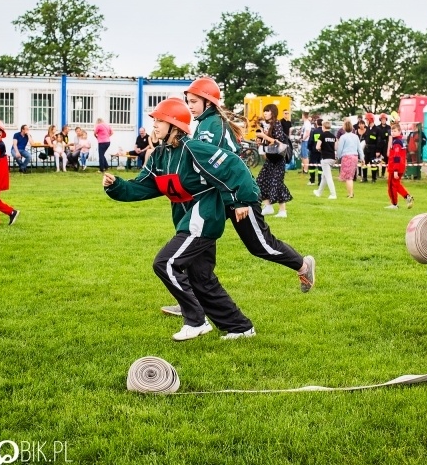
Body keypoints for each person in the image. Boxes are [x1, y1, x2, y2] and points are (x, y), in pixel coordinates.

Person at [103, 98, 259, 342]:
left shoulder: (194, 149)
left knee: (165, 263)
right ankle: (240, 327)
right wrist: (117, 186)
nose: (154, 126)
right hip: (186, 222)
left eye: (159, 121)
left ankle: (196, 321)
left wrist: (241, 200)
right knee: (201, 279)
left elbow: (234, 165)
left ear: (175, 126)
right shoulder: (159, 156)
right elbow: (143, 187)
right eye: (154, 120)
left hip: (203, 219)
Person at [158, 82, 315, 318]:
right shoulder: (202, 125)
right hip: (218, 197)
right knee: (198, 251)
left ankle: (303, 265)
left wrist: (238, 200)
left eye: (193, 101)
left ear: (208, 102)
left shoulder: (213, 126)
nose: (189, 107)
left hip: (238, 194)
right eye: (188, 101)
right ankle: (191, 303)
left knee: (260, 245)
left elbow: (229, 164)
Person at [255, 104, 295, 215]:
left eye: (267, 111)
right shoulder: (266, 125)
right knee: (262, 181)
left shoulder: (277, 124)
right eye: (264, 111)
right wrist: (259, 140)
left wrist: (264, 136)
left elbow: (278, 141)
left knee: (276, 183)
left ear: (273, 112)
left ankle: (283, 211)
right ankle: (268, 206)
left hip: (278, 159)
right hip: (270, 158)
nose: (265, 113)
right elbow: (266, 140)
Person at [385, 123, 414, 210]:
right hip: (398, 167)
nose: (393, 133)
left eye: (395, 131)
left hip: (395, 168)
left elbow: (397, 157)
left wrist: (395, 170)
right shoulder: (398, 141)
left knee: (392, 185)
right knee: (396, 185)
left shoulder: (397, 142)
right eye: (392, 131)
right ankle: (407, 197)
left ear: (399, 131)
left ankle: (394, 204)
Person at [336, 120, 363, 198]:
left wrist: (338, 157)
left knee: (348, 178)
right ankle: (349, 193)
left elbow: (340, 149)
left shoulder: (343, 137)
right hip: (354, 157)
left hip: (347, 157)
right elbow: (359, 148)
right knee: (350, 176)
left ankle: (351, 194)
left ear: (344, 127)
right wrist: (362, 157)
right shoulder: (356, 136)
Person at [313, 120, 338, 199]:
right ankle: (319, 192)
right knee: (324, 176)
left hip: (325, 158)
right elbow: (336, 147)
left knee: (328, 177)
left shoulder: (322, 136)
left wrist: (321, 149)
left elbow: (317, 146)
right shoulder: (333, 136)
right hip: (332, 158)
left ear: (323, 127)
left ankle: (333, 194)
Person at [373, 114, 391, 178]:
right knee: (377, 158)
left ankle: (383, 173)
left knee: (385, 159)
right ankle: (377, 172)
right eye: (382, 119)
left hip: (386, 145)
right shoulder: (378, 127)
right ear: (380, 120)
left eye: (384, 119)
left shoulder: (389, 127)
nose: (383, 120)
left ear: (386, 120)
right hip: (379, 144)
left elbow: (389, 137)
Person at [307, 118, 323, 186]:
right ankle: (320, 182)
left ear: (317, 123)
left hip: (313, 151)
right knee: (320, 167)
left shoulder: (314, 131)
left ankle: (312, 180)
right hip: (322, 152)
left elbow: (310, 141)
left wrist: (310, 148)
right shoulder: (324, 132)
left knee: (311, 166)